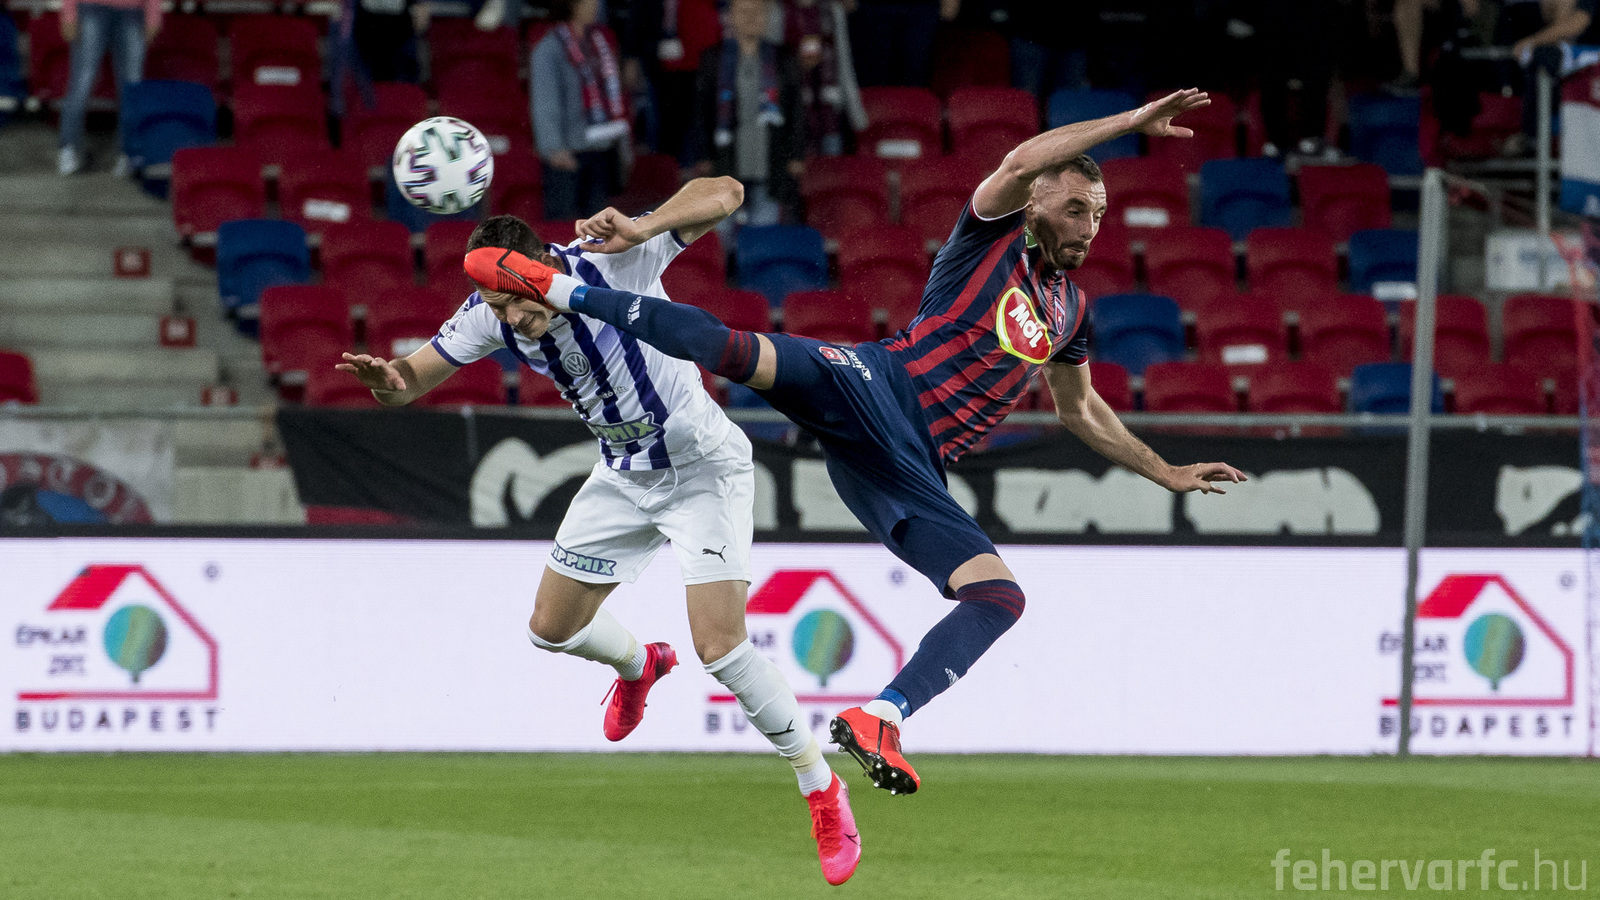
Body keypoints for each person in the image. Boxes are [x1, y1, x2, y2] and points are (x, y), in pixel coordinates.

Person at [464, 88, 1246, 796]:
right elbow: (1018, 161)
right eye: (1075, 207)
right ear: (1038, 201)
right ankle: (562, 288)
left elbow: (1082, 411)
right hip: (875, 382)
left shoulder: (1070, 308)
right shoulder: (992, 236)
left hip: (911, 468)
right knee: (731, 349)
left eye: (1098, 214)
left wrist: (1165, 471)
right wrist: (1131, 123)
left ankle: (881, 716)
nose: (1088, 225)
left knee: (999, 596)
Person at [337, 178, 861, 886]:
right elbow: (409, 381)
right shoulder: (489, 312)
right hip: (622, 476)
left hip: (701, 470)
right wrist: (384, 379)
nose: (509, 318)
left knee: (720, 647)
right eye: (495, 306)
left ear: (537, 270)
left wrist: (647, 226)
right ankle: (640, 665)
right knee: (549, 629)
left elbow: (729, 193)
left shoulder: (611, 260)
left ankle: (820, 787)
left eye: (513, 301)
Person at [688, 0, 804, 227]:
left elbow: (796, 110)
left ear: (766, 16)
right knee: (722, 232)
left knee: (764, 233)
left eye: (757, 12)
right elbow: (701, 112)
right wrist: (703, 155)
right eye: (743, 11)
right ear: (731, 16)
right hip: (726, 160)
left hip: (769, 159)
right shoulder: (713, 59)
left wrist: (796, 154)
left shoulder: (783, 58)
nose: (751, 18)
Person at [531, 0, 631, 221]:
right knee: (564, 226)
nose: (595, 5)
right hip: (568, 153)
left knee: (598, 227)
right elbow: (544, 100)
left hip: (601, 148)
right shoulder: (549, 48)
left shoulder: (599, 43)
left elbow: (612, 94)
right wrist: (554, 148)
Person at [56, 0, 161, 176]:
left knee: (132, 87)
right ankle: (69, 148)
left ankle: (129, 153)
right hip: (91, 8)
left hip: (132, 12)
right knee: (81, 82)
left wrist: (153, 16)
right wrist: (69, 14)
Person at [784, 0, 867, 157]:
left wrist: (856, 114)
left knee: (831, 168)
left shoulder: (833, 11)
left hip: (830, 117)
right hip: (793, 118)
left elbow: (844, 63)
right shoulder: (781, 11)